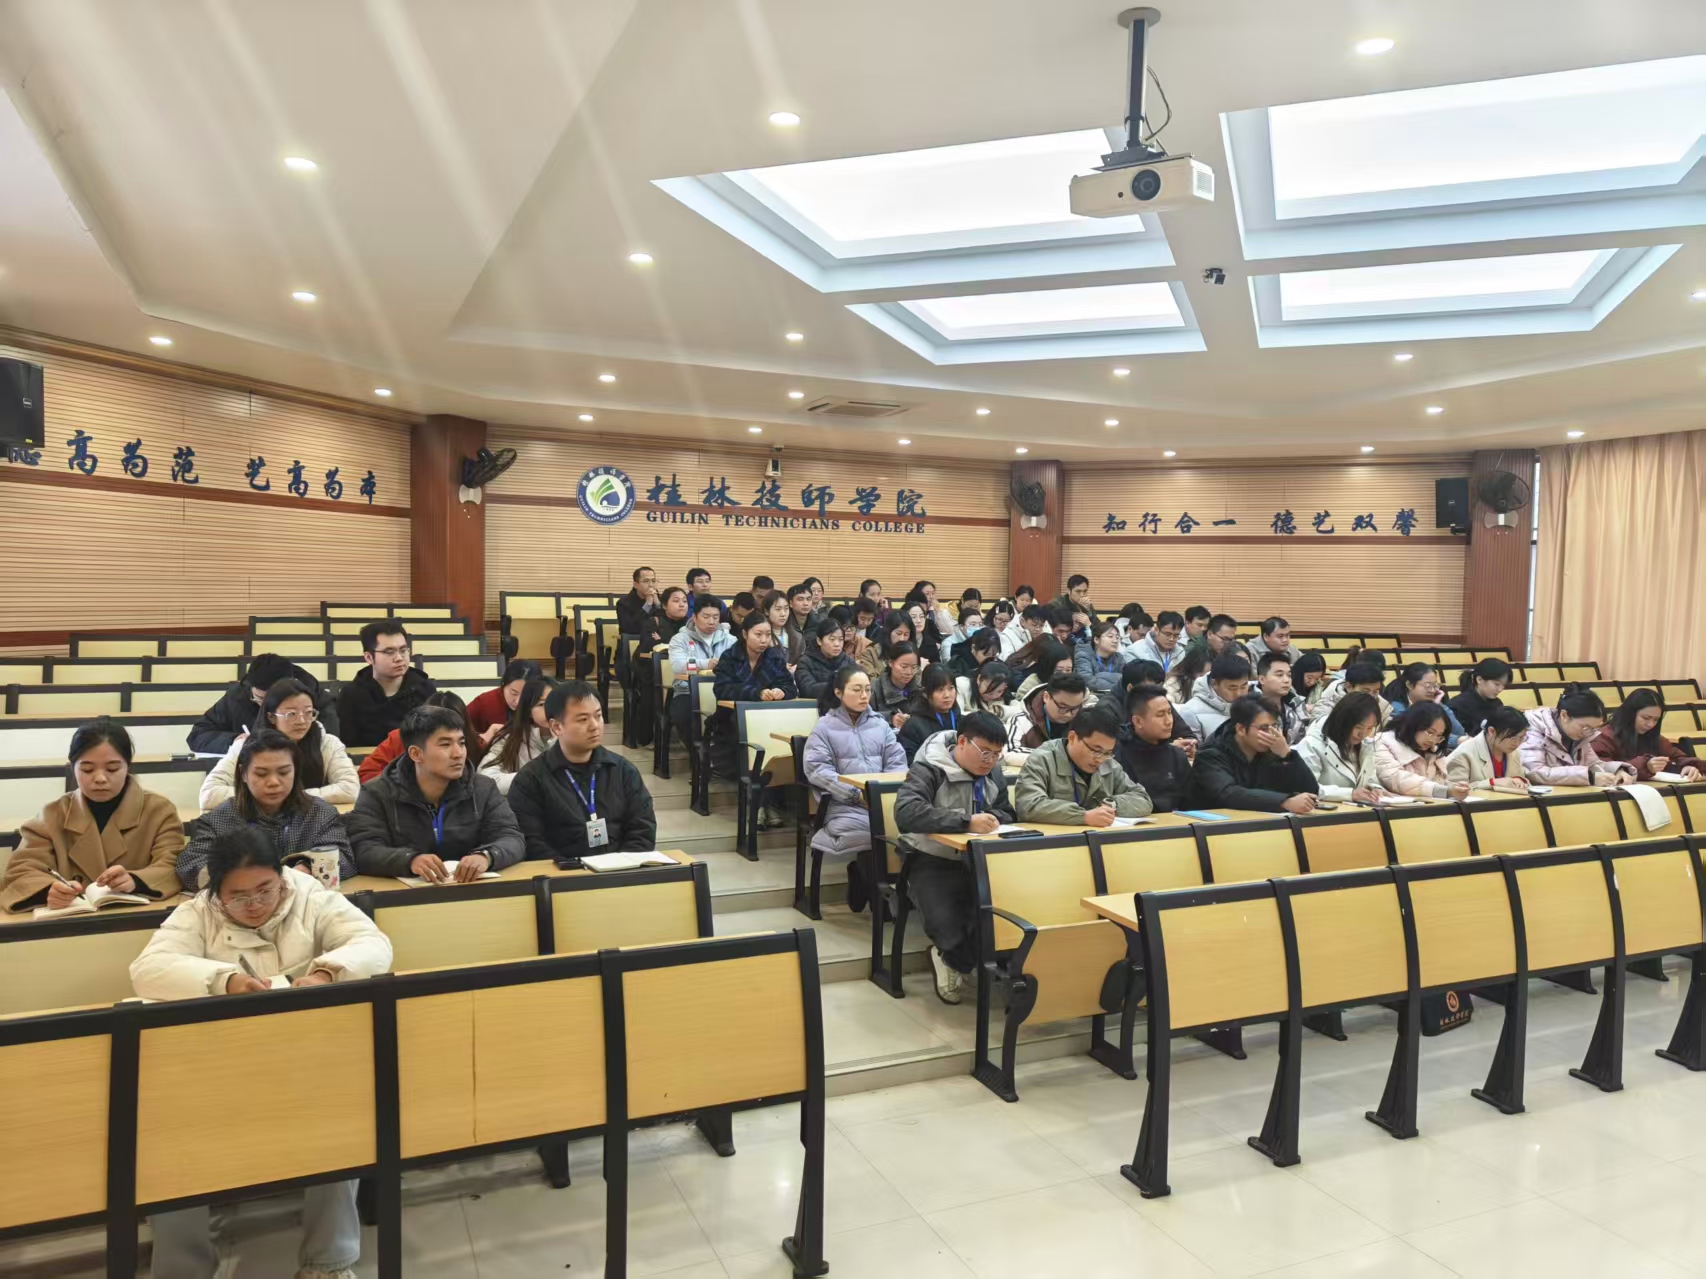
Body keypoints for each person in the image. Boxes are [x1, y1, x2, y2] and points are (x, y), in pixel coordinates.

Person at [130, 826, 391, 1279]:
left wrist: (327, 973)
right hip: (218, 1068)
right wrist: (224, 981)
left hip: (308, 1058)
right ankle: (184, 1270)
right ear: (217, 892)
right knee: (167, 1144)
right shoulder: (198, 913)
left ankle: (328, 1263)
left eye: (265, 890)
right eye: (238, 896)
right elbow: (148, 968)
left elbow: (374, 944)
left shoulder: (310, 896)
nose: (254, 904)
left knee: (342, 1118)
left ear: (282, 878)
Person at [1, 719, 184, 913]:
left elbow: (173, 865)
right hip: (67, 920)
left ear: (128, 767)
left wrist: (136, 881)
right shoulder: (51, 816)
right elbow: (21, 871)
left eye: (112, 769)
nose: (100, 778)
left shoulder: (159, 811)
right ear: (73, 768)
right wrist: (47, 890)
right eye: (87, 769)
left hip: (134, 918)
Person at [895, 712, 1015, 1004]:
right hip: (932, 858)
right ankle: (948, 959)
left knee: (1009, 914)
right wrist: (965, 821)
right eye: (984, 752)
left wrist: (993, 818)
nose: (990, 761)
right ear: (962, 742)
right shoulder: (929, 768)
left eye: (996, 754)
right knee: (950, 928)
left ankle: (989, 965)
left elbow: (1008, 812)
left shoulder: (993, 772)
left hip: (981, 858)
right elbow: (906, 812)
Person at [347, 705, 525, 880]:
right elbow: (363, 849)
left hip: (470, 888)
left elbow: (511, 837)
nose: (458, 753)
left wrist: (487, 856)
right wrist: (410, 860)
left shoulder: (483, 788)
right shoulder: (377, 793)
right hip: (405, 892)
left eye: (461, 743)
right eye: (445, 744)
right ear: (416, 754)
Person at [177, 729, 353, 891]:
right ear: (243, 773)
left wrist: (307, 867)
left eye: (283, 772)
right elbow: (190, 864)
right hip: (242, 903)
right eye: (261, 774)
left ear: (295, 770)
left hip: (305, 900)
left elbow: (344, 857)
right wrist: (242, 879)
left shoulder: (320, 813)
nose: (273, 782)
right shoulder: (220, 818)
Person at [509, 680, 658, 863]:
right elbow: (531, 841)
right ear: (556, 727)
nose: (595, 725)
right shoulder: (530, 779)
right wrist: (573, 870)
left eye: (598, 716)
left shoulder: (623, 771)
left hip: (620, 871)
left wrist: (620, 866)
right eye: (583, 719)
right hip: (562, 874)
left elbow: (643, 830)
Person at [802, 667, 906, 911]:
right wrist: (855, 795)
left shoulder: (880, 725)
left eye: (868, 690)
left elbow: (898, 762)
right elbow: (817, 769)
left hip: (880, 802)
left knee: (907, 830)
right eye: (857, 689)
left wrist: (883, 794)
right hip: (843, 804)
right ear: (839, 692)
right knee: (879, 834)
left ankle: (872, 882)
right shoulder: (825, 727)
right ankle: (880, 896)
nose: (864, 696)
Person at [199, 678, 360, 810]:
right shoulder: (246, 746)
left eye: (308, 712)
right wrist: (267, 797)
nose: (302, 720)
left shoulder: (328, 743)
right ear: (271, 717)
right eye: (291, 714)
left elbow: (350, 789)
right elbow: (209, 795)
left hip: (312, 822)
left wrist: (291, 797)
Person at [1016, 704, 1153, 826]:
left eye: (1107, 752)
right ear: (1072, 737)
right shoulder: (1042, 759)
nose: (1100, 759)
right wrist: (1083, 816)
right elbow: (1028, 806)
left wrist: (1110, 804)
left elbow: (1143, 800)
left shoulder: (1109, 763)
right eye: (1096, 750)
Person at [187, 652, 339, 755]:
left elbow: (329, 739)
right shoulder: (238, 696)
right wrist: (235, 740)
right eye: (260, 699)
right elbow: (198, 736)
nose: (267, 707)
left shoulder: (311, 696)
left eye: (275, 701)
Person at [1190, 695, 1321, 814]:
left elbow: (1310, 792)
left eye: (1274, 726)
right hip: (1215, 825)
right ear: (1241, 729)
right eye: (1264, 728)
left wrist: (1287, 754)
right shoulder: (1210, 754)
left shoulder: (1272, 749)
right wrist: (1284, 802)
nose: (1271, 734)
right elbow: (1227, 794)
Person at [335, 621, 436, 748]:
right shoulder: (351, 695)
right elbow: (347, 745)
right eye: (389, 652)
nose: (399, 658)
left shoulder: (425, 689)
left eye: (403, 650)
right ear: (369, 657)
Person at [1522, 688, 1634, 787]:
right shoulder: (1532, 730)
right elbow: (1534, 771)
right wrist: (1590, 778)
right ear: (1564, 715)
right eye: (1585, 726)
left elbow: (1594, 765)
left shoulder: (1581, 735)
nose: (1588, 732)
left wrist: (1617, 771)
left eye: (1593, 728)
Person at [358, 691, 474, 784]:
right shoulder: (400, 738)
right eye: (445, 743)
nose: (458, 753)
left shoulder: (476, 744)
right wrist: (401, 788)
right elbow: (367, 772)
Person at [1592, 688, 1706, 782]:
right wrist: (1645, 766)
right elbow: (1601, 767)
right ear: (1630, 714)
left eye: (1656, 720)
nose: (1650, 724)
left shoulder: (1655, 738)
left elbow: (1677, 757)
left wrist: (1688, 766)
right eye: (1646, 718)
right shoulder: (1605, 736)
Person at [1114, 685, 1193, 812]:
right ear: (1138, 721)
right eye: (1160, 715)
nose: (1169, 721)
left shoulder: (1177, 755)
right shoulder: (1118, 756)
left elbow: (1192, 803)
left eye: (1169, 713)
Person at [1296, 691, 1386, 802]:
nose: (1363, 734)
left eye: (1369, 728)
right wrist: (1350, 794)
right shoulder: (1312, 744)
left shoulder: (1366, 745)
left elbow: (1371, 779)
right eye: (1358, 727)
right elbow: (1307, 788)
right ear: (1342, 721)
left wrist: (1375, 789)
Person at [1375, 703, 1471, 800]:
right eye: (1430, 732)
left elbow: (1440, 782)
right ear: (1413, 725)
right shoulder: (1383, 741)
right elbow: (1396, 779)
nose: (1433, 740)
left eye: (1439, 736)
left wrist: (1456, 787)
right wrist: (1446, 791)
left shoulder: (1433, 751)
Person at [476, 676, 554, 794]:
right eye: (541, 704)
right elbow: (485, 779)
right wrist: (531, 779)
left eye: (555, 703)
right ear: (528, 710)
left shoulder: (573, 737)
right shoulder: (512, 738)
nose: (550, 709)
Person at [713, 612, 799, 703]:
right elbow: (722, 689)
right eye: (758, 634)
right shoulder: (730, 657)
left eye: (768, 635)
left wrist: (783, 692)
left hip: (767, 710)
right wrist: (757, 693)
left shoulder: (775, 657)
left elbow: (791, 687)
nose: (764, 640)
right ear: (745, 634)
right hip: (733, 710)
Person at [1445, 705, 1532, 792]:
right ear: (1492, 731)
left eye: (1521, 738)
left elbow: (1521, 779)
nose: (1517, 743)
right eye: (1512, 737)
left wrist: (1519, 780)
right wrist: (1491, 782)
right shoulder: (1463, 754)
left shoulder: (1514, 752)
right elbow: (1454, 790)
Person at [1384, 663, 1466, 749]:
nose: (1432, 690)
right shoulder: (1396, 708)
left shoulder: (1432, 703)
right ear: (1409, 685)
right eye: (1428, 686)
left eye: (1435, 685)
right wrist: (1457, 740)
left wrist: (1439, 707)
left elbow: (1459, 732)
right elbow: (1415, 735)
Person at [464, 660, 543, 747]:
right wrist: (483, 739)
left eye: (526, 695)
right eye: (513, 693)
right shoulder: (484, 702)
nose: (518, 701)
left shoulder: (542, 704)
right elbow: (457, 733)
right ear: (503, 684)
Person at [1176, 653, 1253, 739]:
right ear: (1214, 683)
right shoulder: (1191, 712)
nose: (1239, 693)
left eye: (1243, 686)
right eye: (1232, 688)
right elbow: (1193, 746)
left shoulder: (1255, 703)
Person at [1008, 672, 1089, 752]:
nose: (1068, 714)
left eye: (1075, 708)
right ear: (1046, 697)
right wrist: (1054, 757)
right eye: (1063, 707)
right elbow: (1011, 752)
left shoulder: (1086, 719)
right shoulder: (1021, 721)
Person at [897, 665, 963, 762]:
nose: (947, 695)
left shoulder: (964, 721)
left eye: (951, 688)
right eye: (940, 689)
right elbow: (909, 762)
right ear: (925, 693)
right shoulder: (913, 726)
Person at [1446, 658, 1513, 736]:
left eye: (1503, 685)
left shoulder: (1497, 703)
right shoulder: (1457, 705)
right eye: (1496, 684)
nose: (1500, 689)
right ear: (1479, 680)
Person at [1309, 661, 1390, 725]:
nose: (1371, 696)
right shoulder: (1326, 706)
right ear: (1349, 687)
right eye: (1365, 691)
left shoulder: (1383, 707)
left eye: (1375, 691)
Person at [797, 615, 855, 703]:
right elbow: (807, 689)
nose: (837, 644)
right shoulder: (805, 662)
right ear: (819, 641)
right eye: (832, 639)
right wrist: (837, 686)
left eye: (840, 640)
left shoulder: (848, 662)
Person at [1256, 651, 1307, 744]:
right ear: (1262, 679)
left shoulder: (1296, 705)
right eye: (1279, 675)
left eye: (1289, 675)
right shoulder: (1250, 706)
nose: (1286, 680)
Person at [872, 642, 922, 729]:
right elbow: (863, 717)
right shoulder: (875, 688)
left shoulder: (920, 688)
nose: (909, 672)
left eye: (914, 667)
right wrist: (890, 718)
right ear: (890, 662)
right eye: (904, 667)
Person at [1074, 621, 1126, 694]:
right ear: (1096, 640)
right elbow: (1088, 683)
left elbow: (1126, 682)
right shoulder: (1083, 655)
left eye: (1117, 637)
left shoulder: (1119, 657)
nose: (1115, 641)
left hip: (1115, 698)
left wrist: (1100, 676)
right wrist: (1117, 680)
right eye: (1110, 636)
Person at [1128, 610, 1185, 674]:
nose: (1171, 639)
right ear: (1156, 630)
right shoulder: (1135, 651)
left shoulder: (1180, 653)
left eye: (1176, 635)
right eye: (1167, 634)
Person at [859, 613, 913, 678]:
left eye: (906, 634)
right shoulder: (871, 653)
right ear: (888, 632)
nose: (902, 639)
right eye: (898, 633)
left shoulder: (912, 653)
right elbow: (869, 680)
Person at [1164, 645, 1211, 709]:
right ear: (1191, 669)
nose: (1203, 678)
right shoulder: (1173, 684)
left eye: (1207, 674)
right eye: (1200, 674)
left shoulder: (1209, 685)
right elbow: (1167, 705)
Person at [616, 565, 660, 634]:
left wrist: (658, 604)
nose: (651, 585)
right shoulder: (623, 603)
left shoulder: (660, 600)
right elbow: (628, 628)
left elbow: (668, 625)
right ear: (636, 584)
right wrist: (647, 605)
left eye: (653, 581)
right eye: (646, 581)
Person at [1292, 652, 1331, 720]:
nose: (1312, 682)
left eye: (1317, 679)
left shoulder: (1319, 687)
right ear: (1300, 672)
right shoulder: (1288, 685)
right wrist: (1303, 708)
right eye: (1309, 678)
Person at [783, 582, 815, 665]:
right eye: (800, 599)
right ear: (790, 603)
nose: (806, 603)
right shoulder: (784, 623)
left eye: (809, 599)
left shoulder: (819, 623)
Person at [761, 590, 797, 663]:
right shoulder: (760, 637)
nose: (783, 614)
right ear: (766, 611)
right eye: (778, 609)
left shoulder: (796, 637)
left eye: (786, 608)